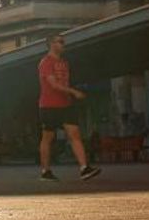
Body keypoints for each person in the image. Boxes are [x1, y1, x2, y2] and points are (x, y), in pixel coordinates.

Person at [37, 34, 101, 181]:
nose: (63, 44)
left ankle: (84, 168)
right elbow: (53, 84)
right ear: (51, 44)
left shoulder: (64, 63)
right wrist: (73, 92)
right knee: (48, 137)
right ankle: (45, 171)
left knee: (74, 134)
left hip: (65, 105)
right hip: (49, 105)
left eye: (63, 42)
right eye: (60, 42)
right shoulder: (45, 62)